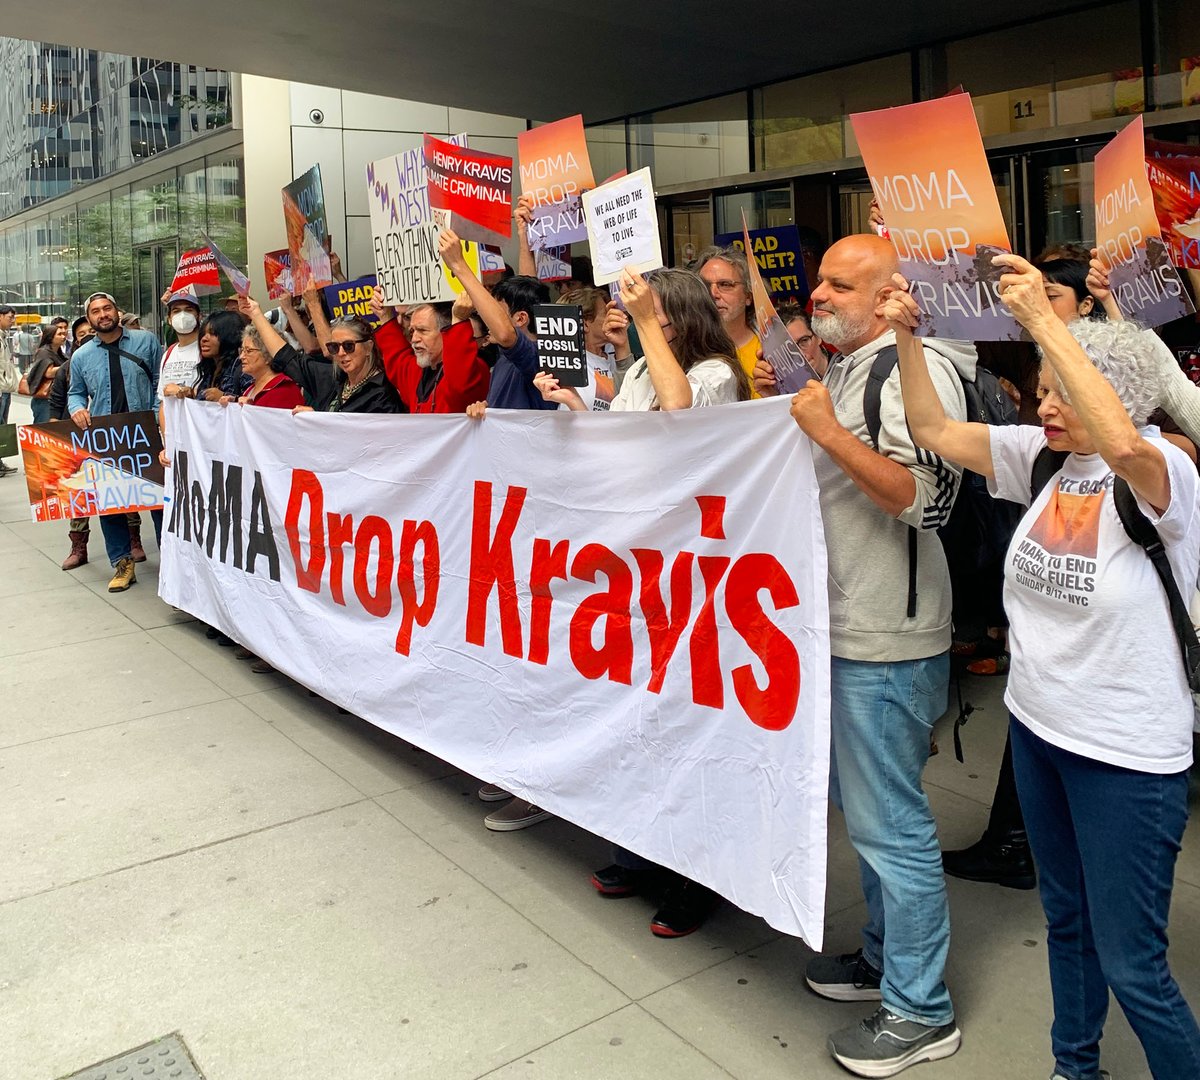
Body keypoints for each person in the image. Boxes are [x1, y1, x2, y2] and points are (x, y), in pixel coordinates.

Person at [887, 252, 1200, 1080]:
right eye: (1044, 386)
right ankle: (1075, 1065)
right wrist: (908, 340)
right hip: (1038, 732)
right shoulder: (1045, 460)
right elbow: (933, 432)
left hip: (1127, 757)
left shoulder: (1165, 474)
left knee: (1134, 962)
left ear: (1118, 390)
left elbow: (1125, 440)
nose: (1040, 401)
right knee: (1066, 920)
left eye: (1062, 389)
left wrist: (1043, 323)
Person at [754, 233, 969, 1077]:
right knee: (872, 820)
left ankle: (922, 1011)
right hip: (844, 629)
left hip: (888, 635)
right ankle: (884, 964)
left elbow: (929, 499)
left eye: (841, 286)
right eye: (819, 283)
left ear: (889, 298)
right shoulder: (846, 368)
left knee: (892, 827)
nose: (820, 296)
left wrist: (823, 431)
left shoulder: (911, 369)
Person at [531, 266, 749, 937]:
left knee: (686, 731)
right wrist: (574, 407)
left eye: (645, 308)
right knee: (636, 722)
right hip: (633, 569)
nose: (625, 316)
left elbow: (678, 418)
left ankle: (696, 876)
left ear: (673, 315)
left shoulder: (714, 375)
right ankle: (643, 852)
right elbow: (622, 441)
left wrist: (647, 326)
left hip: (690, 574)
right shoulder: (631, 376)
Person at [66, 292, 164, 593]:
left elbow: (161, 377)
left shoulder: (145, 342)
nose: (102, 314)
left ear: (116, 311)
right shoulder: (81, 356)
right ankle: (122, 563)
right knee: (110, 502)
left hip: (146, 431)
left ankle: (172, 558)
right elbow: (75, 393)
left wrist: (160, 410)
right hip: (108, 437)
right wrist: (77, 409)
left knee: (160, 499)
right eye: (95, 311)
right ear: (89, 318)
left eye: (107, 308)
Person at [240, 295, 404, 414]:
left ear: (368, 347)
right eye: (334, 347)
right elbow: (287, 358)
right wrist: (255, 313)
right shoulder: (332, 378)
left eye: (349, 346)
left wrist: (319, 421)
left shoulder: (382, 392)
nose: (341, 353)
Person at [370, 284, 489, 414]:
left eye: (422, 330)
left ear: (446, 333)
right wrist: (385, 316)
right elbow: (398, 359)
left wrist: (459, 320)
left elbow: (459, 386)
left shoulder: (474, 369)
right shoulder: (418, 371)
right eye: (412, 331)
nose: (414, 338)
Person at [51, 317, 96, 570]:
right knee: (79, 494)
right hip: (77, 440)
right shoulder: (68, 367)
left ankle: (133, 540)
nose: (87, 335)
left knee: (120, 491)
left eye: (91, 331)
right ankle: (78, 546)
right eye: (82, 333)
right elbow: (57, 402)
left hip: (110, 438)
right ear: (75, 339)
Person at [695, 245, 762, 395]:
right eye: (704, 286)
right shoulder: (685, 350)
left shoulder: (771, 348)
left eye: (725, 285)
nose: (713, 294)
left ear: (749, 296)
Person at [193, 310, 251, 401]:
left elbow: (254, 406)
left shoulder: (243, 370)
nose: (204, 339)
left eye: (212, 334)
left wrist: (225, 397)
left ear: (229, 336)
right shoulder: (210, 370)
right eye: (203, 334)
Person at [24, 323, 66, 423]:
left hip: (56, 398)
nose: (63, 337)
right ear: (51, 337)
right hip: (45, 400)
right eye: (59, 334)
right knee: (44, 430)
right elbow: (48, 373)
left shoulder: (59, 353)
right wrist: (67, 366)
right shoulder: (43, 352)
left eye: (64, 334)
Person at [776, 300, 829, 378]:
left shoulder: (849, 369)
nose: (800, 354)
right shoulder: (787, 385)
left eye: (804, 340)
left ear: (818, 336)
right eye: (790, 347)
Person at [0, 304, 15, 476]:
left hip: (5, 388)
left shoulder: (4, 337)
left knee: (2, 426)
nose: (12, 321)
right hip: (1, 388)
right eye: (9, 317)